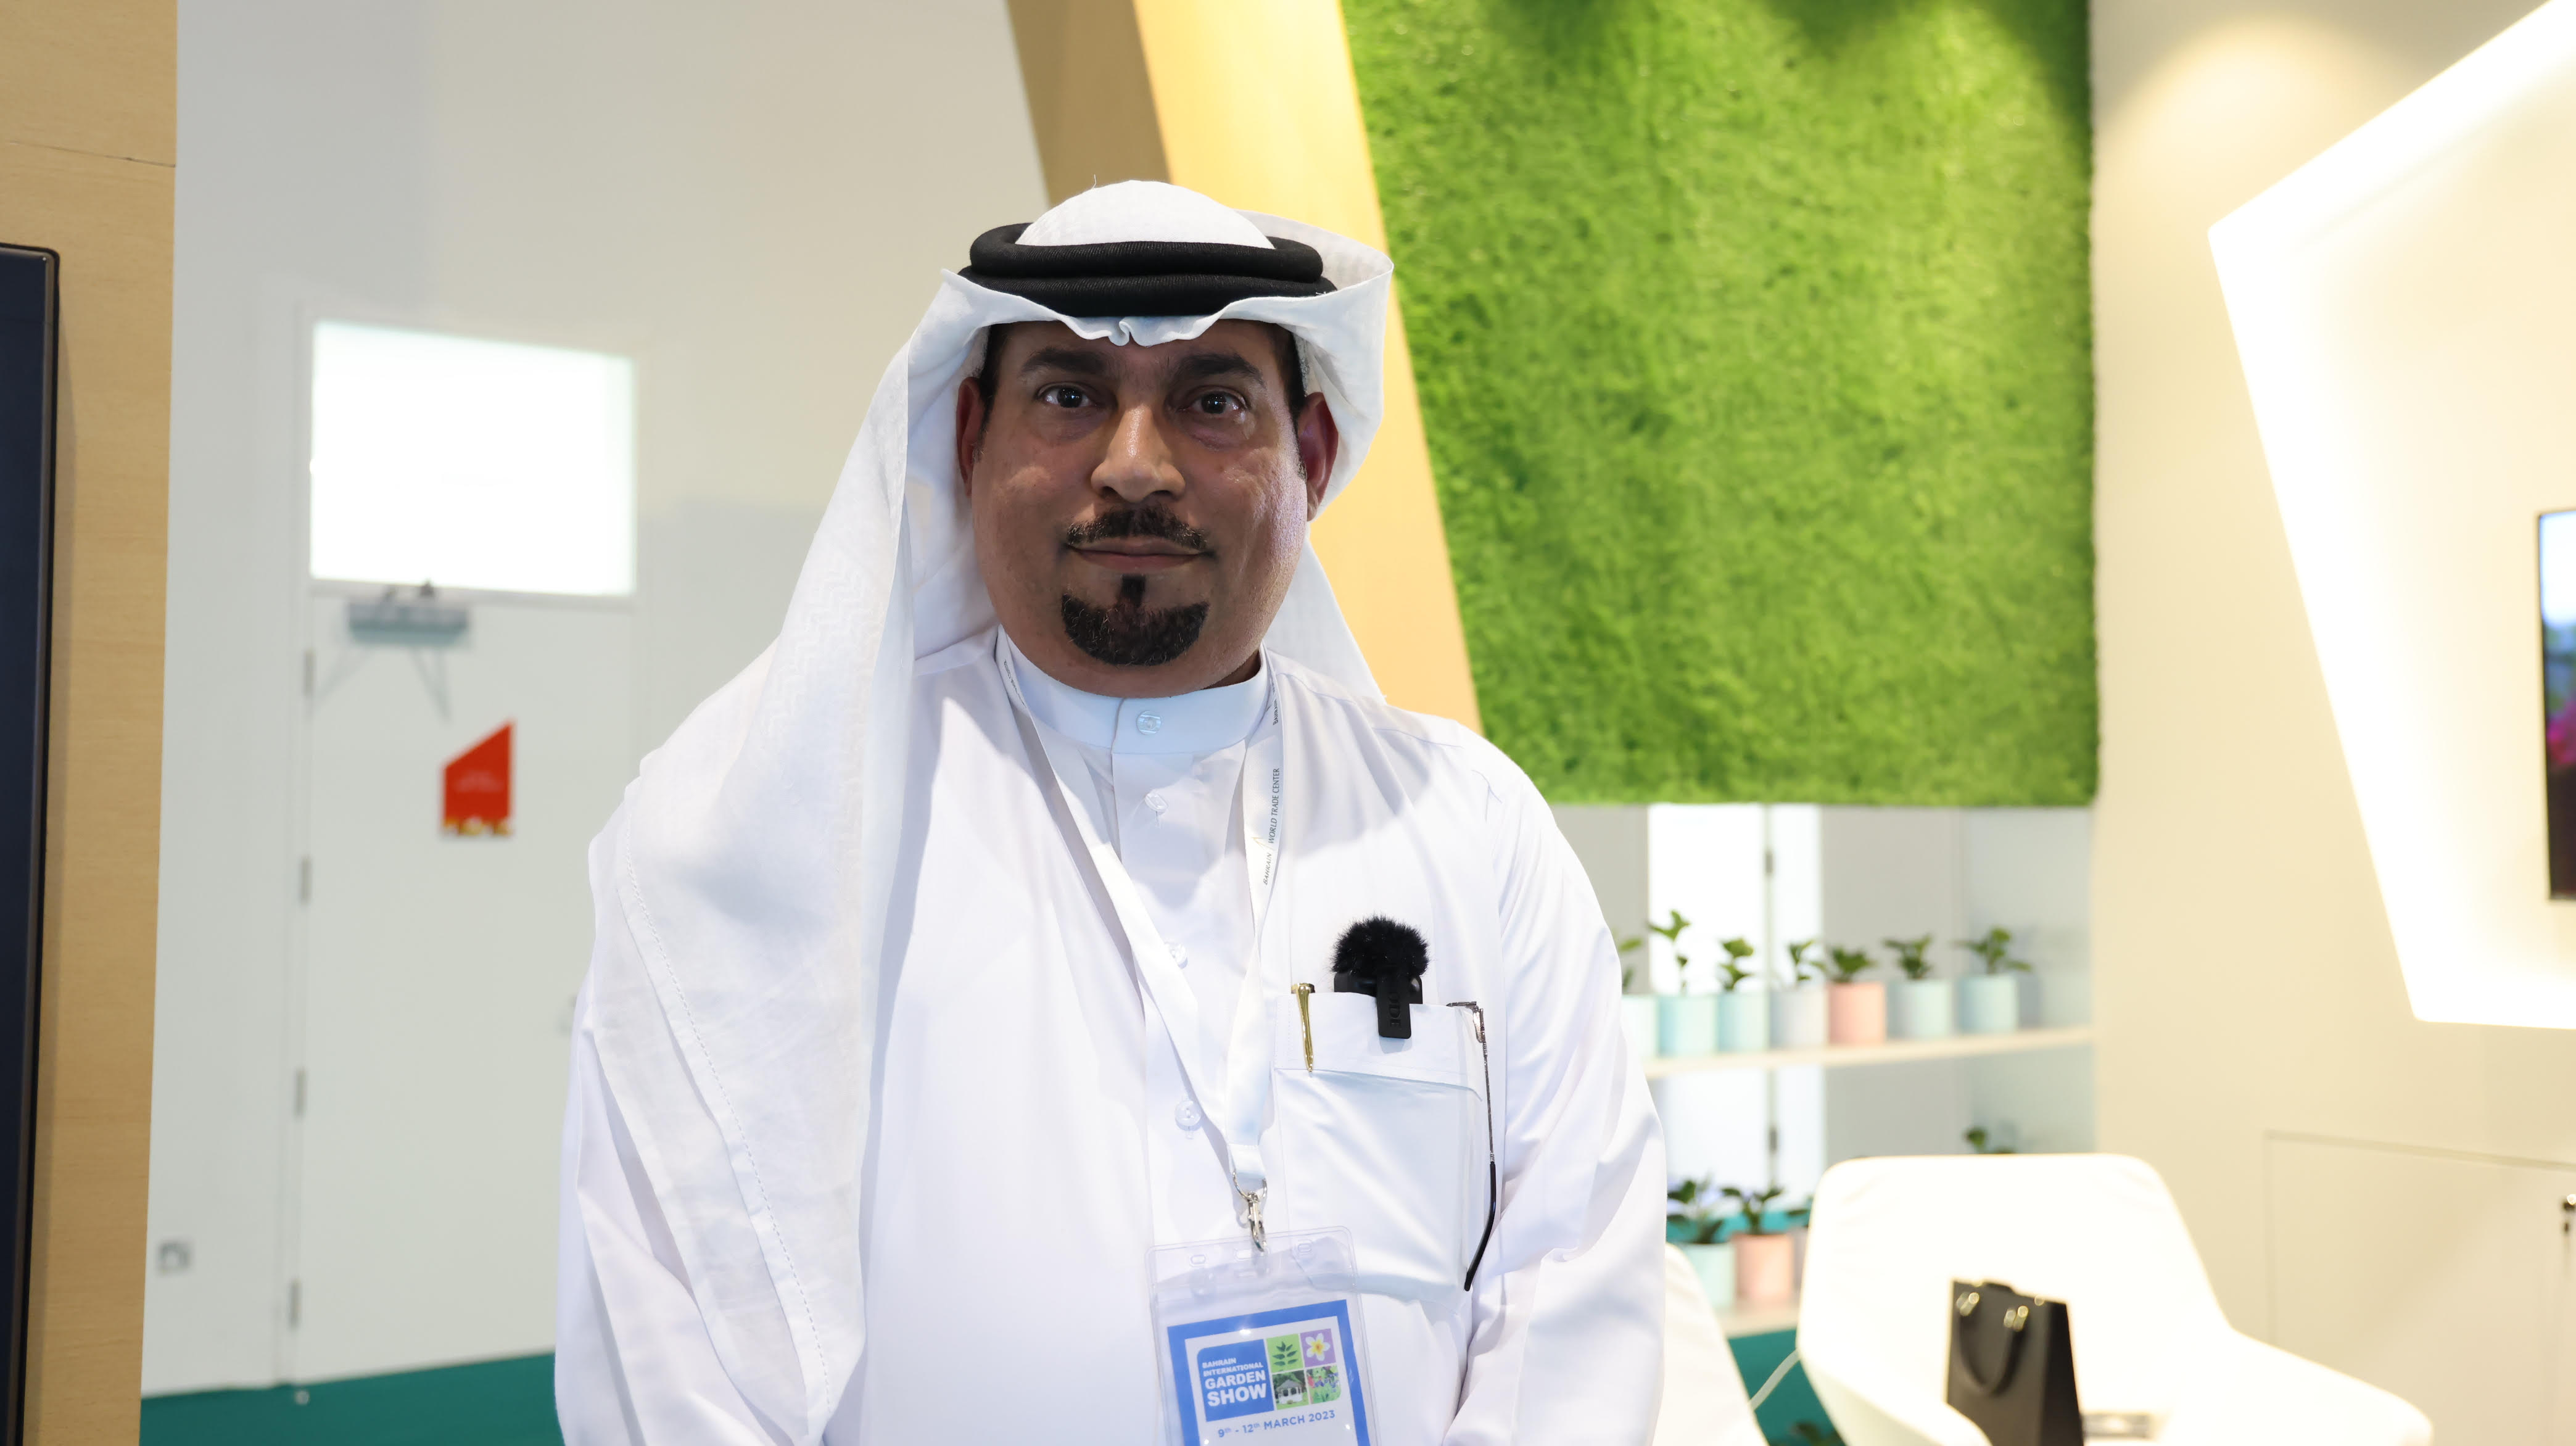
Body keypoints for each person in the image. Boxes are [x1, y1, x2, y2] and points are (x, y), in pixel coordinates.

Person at [554, 180, 1666, 1445]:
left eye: (1213, 401)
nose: (1135, 465)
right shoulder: (757, 838)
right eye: (1071, 394)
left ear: (1310, 458)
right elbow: (667, 1336)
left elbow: (1574, 1267)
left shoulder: (1469, 824)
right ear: (969, 437)